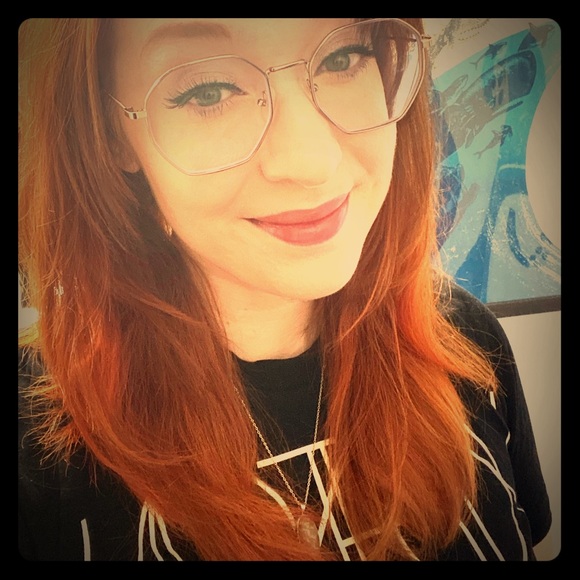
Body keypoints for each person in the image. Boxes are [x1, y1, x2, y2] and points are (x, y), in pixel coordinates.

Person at [18, 18, 552, 561]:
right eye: (209, 90)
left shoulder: (462, 336)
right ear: (110, 135)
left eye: (343, 57)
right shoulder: (36, 446)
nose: (312, 161)